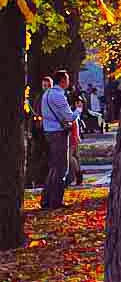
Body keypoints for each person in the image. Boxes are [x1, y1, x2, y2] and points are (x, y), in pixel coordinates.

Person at [39, 70, 80, 209]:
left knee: (54, 168)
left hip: (49, 132)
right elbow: (70, 117)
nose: (68, 82)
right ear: (62, 81)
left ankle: (46, 200)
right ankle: (55, 202)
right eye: (67, 79)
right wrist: (79, 110)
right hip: (58, 134)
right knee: (62, 169)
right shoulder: (58, 96)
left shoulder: (47, 93)